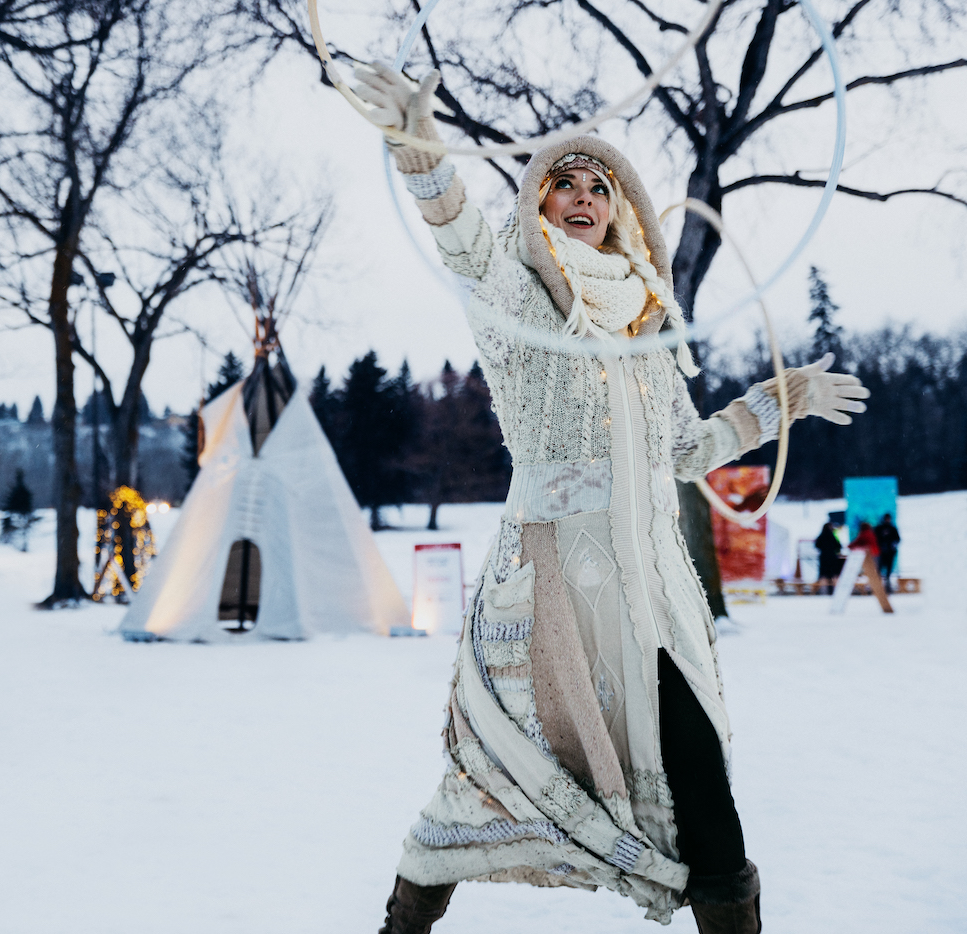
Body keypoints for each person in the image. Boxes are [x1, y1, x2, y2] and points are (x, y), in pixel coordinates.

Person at [352, 64, 870, 934]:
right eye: (564, 184)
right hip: (556, 595)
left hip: (656, 602)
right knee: (482, 789)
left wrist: (775, 403)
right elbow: (467, 245)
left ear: (623, 208)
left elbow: (682, 449)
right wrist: (421, 148)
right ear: (540, 207)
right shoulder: (519, 302)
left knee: (703, 790)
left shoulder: (645, 330)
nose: (584, 195)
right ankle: (402, 922)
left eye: (601, 185)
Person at [814, 521, 843, 594]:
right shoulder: (832, 536)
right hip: (832, 557)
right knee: (834, 574)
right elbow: (839, 546)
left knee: (824, 575)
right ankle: (836, 591)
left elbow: (817, 545)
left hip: (823, 558)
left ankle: (824, 591)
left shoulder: (821, 536)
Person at [874, 513, 900, 591]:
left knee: (889, 570)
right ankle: (878, 586)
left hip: (890, 553)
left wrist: (892, 545)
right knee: (879, 569)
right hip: (881, 552)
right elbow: (875, 539)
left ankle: (887, 585)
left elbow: (898, 539)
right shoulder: (879, 528)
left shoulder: (892, 528)